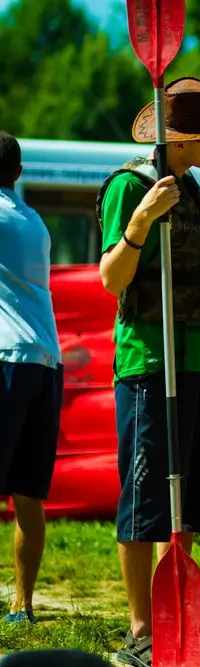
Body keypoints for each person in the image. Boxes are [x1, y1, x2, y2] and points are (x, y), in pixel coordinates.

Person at [96, 77, 200, 667]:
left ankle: (177, 623)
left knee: (181, 506)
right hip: (146, 363)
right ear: (184, 138)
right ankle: (141, 631)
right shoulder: (129, 186)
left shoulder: (194, 190)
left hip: (190, 364)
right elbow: (112, 279)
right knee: (143, 502)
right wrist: (141, 220)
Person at [0, 131, 63, 625]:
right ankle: (22, 604)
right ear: (17, 173)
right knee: (28, 493)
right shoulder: (32, 220)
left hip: (7, 358)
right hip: (46, 362)